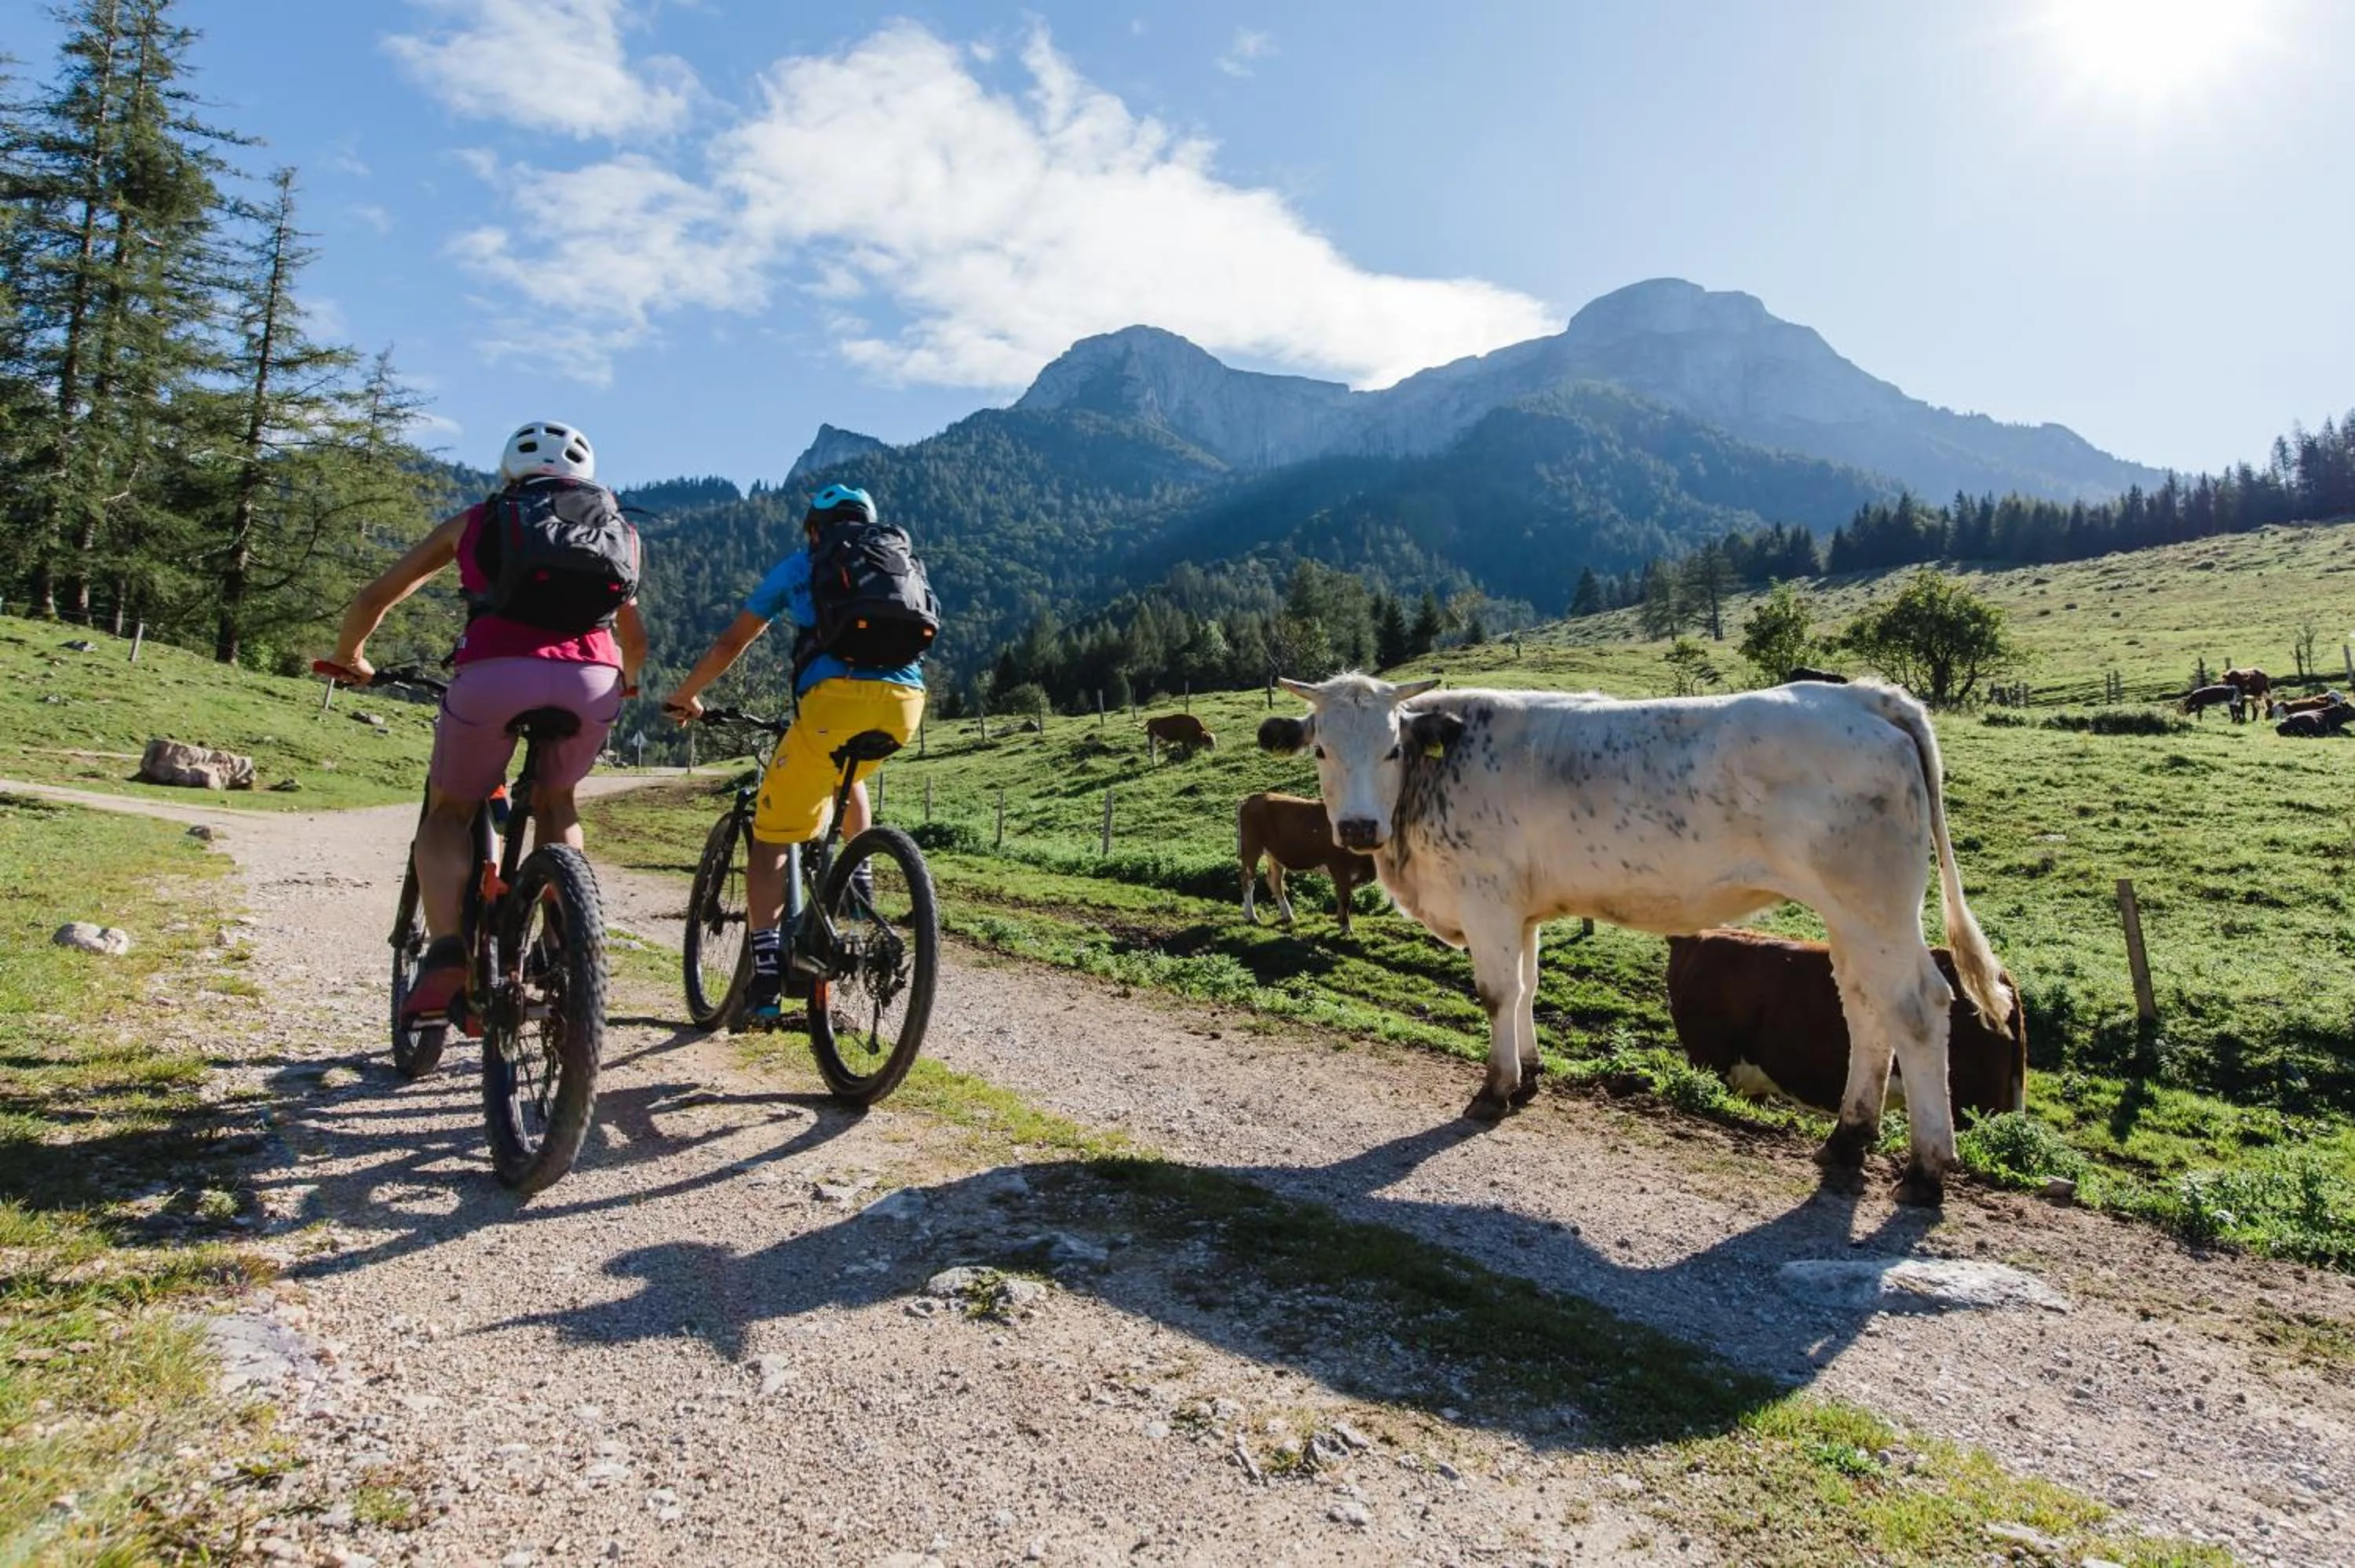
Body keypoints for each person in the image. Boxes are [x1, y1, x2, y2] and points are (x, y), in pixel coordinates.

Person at [323, 420, 647, 1025]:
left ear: (509, 472)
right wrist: (626, 682)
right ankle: (563, 933)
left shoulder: (478, 520)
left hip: (495, 675)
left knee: (451, 811)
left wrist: (351, 657)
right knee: (559, 804)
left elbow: (375, 597)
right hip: (593, 680)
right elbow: (636, 637)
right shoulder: (618, 531)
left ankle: (447, 952)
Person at [663, 483, 931, 1023]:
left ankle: (764, 977)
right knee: (846, 774)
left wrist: (687, 694)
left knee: (770, 840)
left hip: (833, 701)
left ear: (815, 529)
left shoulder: (802, 565)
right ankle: (858, 888)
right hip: (906, 703)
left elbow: (731, 642)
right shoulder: (898, 563)